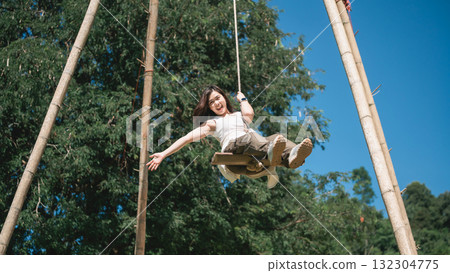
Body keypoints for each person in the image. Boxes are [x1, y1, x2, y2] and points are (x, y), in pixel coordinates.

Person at [146, 85, 313, 188]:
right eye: (212, 102)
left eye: (218, 98)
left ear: (224, 98)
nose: (217, 103)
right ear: (210, 107)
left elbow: (249, 112)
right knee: (248, 139)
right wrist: (163, 154)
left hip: (254, 157)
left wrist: (243, 99)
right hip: (234, 154)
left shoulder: (239, 116)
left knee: (277, 136)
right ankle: (270, 152)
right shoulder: (212, 123)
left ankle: (292, 158)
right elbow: (186, 138)